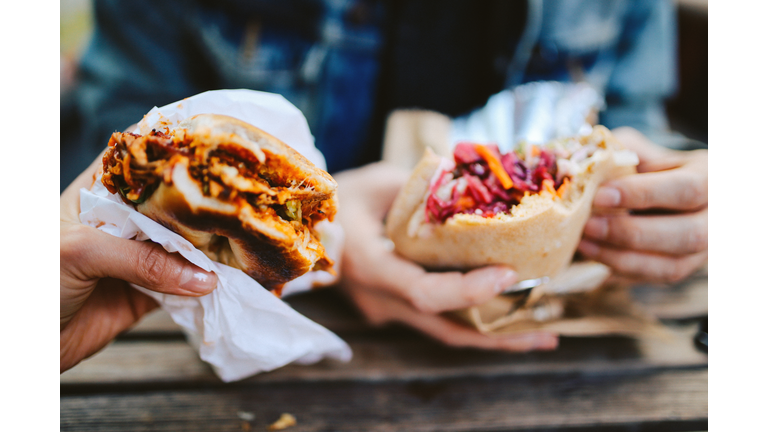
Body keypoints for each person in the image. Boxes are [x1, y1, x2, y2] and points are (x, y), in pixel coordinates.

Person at [61, 0, 707, 369]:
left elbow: (633, 128)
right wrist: (329, 248)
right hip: (230, 359)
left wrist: (677, 194)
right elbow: (109, 168)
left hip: (558, 359)